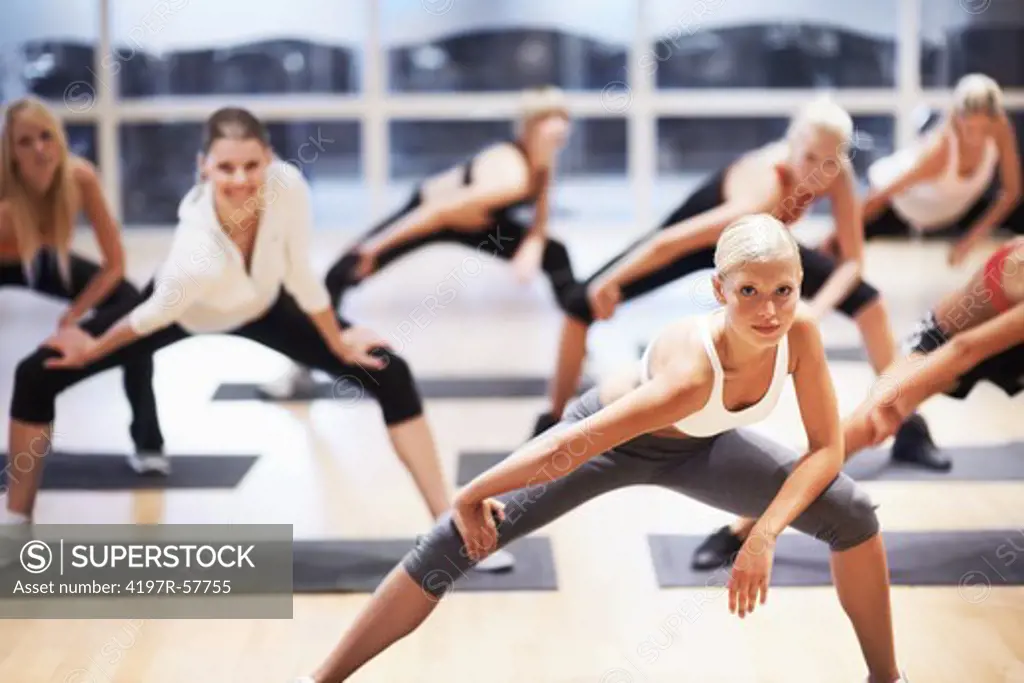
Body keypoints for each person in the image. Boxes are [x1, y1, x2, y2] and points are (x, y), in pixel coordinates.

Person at [290, 215, 908, 683]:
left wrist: (765, 533)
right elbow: (576, 441)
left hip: (701, 447)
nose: (769, 310)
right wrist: (474, 492)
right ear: (720, 290)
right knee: (453, 543)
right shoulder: (690, 372)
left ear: (801, 286)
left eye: (784, 291)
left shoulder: (800, 337)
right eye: (750, 292)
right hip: (608, 441)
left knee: (851, 514)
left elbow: (826, 448)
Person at [1, 106, 513, 571]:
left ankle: (451, 525)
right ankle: (17, 524)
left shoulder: (287, 187)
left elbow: (300, 274)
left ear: (268, 158)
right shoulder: (194, 243)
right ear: (204, 167)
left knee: (389, 371)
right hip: (185, 311)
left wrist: (339, 339)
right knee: (36, 374)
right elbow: (152, 315)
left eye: (251, 165)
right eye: (226, 168)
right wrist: (89, 348)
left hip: (266, 304)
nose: (241, 179)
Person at [534, 97, 907, 459]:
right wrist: (611, 280)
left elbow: (853, 262)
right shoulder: (764, 185)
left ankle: (908, 425)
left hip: (757, 250)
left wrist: (812, 310)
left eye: (828, 161)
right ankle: (552, 422)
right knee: (580, 303)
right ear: (791, 144)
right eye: (809, 157)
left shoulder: (835, 171)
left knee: (869, 303)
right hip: (695, 242)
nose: (817, 172)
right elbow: (670, 241)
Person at [691, 235, 1024, 571]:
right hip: (943, 344)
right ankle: (745, 528)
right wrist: (891, 401)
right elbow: (965, 349)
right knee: (860, 428)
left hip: (999, 348)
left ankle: (910, 430)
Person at [260, 86, 578, 398]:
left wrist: (533, 246)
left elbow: (541, 218)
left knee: (556, 253)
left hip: (478, 222)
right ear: (529, 126)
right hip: (429, 215)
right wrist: (374, 248)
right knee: (344, 270)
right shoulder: (509, 174)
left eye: (562, 116)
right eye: (548, 117)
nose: (559, 125)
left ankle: (579, 344)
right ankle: (301, 366)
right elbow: (437, 212)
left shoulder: (543, 161)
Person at [0, 96, 167, 474]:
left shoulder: (79, 178)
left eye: (46, 136)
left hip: (38, 261)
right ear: (10, 150)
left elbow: (114, 264)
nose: (39, 149)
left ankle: (148, 441)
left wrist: (74, 316)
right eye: (25, 141)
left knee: (131, 303)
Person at [840, 73, 1022, 265]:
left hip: (948, 212)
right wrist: (839, 231)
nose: (976, 138)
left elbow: (1011, 192)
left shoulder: (1000, 129)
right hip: (893, 202)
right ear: (958, 119)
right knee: (841, 249)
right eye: (970, 129)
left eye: (983, 129)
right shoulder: (940, 151)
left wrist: (970, 240)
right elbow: (882, 195)